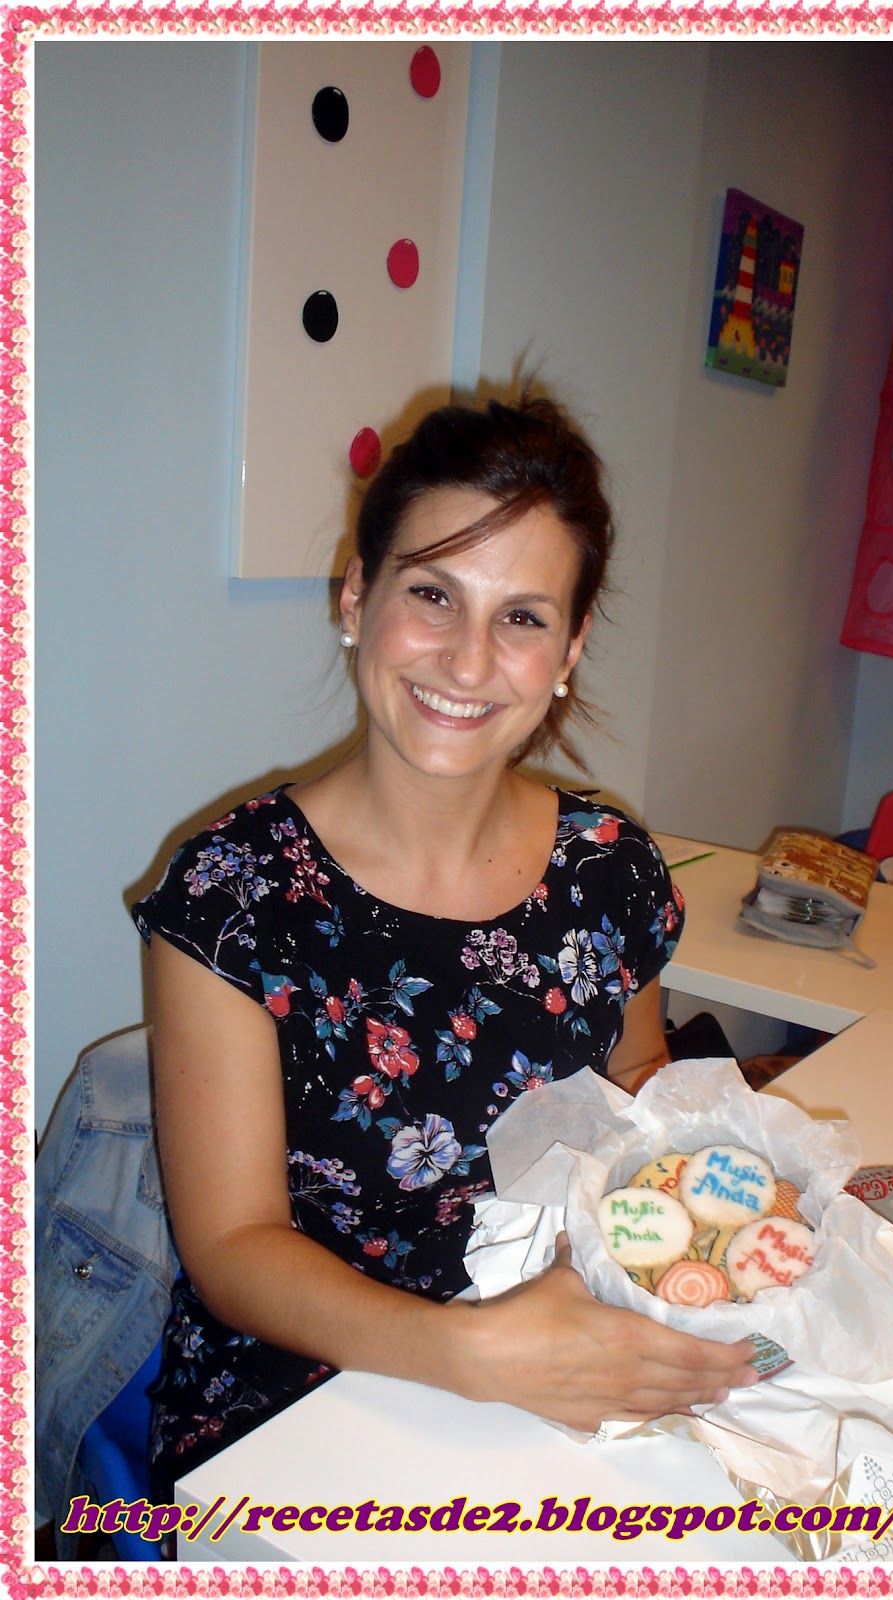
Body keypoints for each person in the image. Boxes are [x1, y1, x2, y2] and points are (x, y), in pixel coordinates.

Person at [133, 392, 758, 1500]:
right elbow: (232, 1247)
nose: (469, 662)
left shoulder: (609, 868)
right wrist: (474, 1354)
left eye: (521, 617)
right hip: (297, 1418)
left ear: (569, 648)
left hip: (565, 1371)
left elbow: (638, 1090)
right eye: (433, 594)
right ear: (356, 596)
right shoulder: (232, 896)